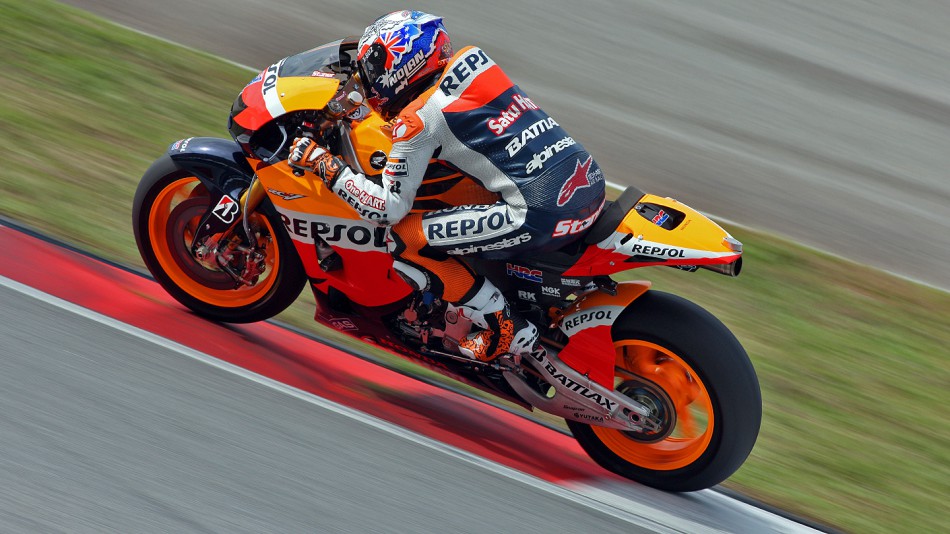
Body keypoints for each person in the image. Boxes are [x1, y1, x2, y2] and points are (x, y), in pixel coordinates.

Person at [288, 10, 606, 363]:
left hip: (540, 211)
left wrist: (325, 165)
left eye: (375, 68)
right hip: (584, 178)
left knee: (404, 237)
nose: (370, 79)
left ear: (402, 66)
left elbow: (386, 208)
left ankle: (506, 328)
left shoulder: (418, 121)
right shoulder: (474, 60)